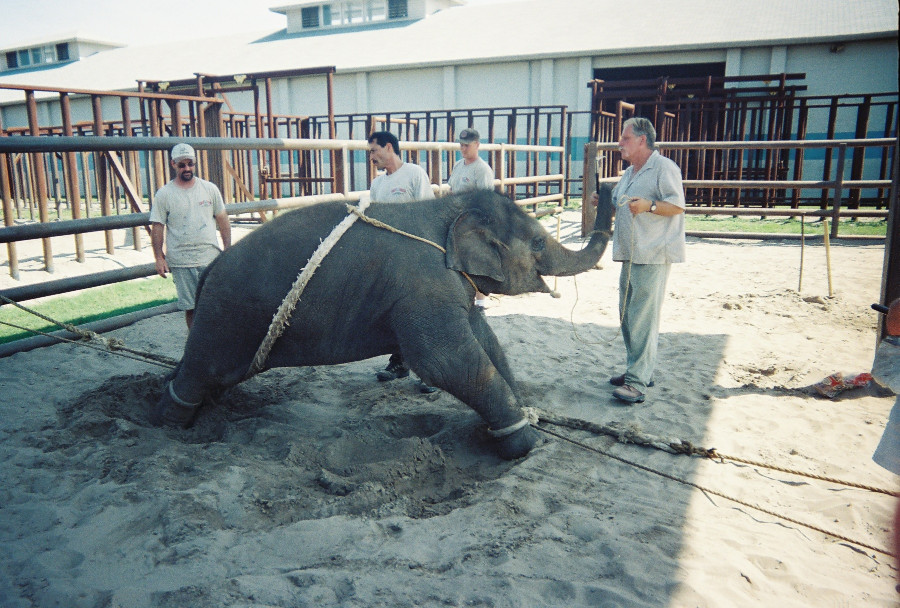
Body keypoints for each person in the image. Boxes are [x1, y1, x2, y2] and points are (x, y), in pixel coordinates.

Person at [590, 117, 685, 404]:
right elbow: (619, 198)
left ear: (642, 140)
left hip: (653, 253)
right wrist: (600, 199)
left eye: (625, 138)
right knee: (628, 315)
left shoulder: (664, 168)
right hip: (631, 254)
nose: (620, 143)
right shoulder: (630, 172)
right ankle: (639, 369)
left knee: (642, 317)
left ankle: (636, 382)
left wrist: (651, 206)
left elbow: (678, 204)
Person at [365, 131, 437, 392]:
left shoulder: (415, 173)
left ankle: (430, 372)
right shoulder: (377, 185)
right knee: (394, 313)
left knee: (423, 313)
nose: (371, 157)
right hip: (389, 258)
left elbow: (428, 213)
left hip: (415, 255)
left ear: (388, 147)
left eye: (374, 151)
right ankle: (399, 362)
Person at [150, 143, 231, 330]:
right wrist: (159, 257)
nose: (187, 168)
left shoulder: (209, 189)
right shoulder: (164, 194)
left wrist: (228, 249)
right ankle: (196, 347)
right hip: (181, 260)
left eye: (190, 164)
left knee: (215, 304)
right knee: (191, 307)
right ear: (173, 164)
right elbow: (157, 226)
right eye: (182, 165)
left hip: (209, 257)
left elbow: (222, 218)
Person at [447, 127, 497, 307]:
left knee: (475, 262)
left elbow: (485, 201)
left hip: (473, 221)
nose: (463, 149)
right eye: (461, 145)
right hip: (455, 219)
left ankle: (481, 301)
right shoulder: (458, 166)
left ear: (477, 145)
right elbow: (452, 190)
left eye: (467, 145)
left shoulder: (482, 170)